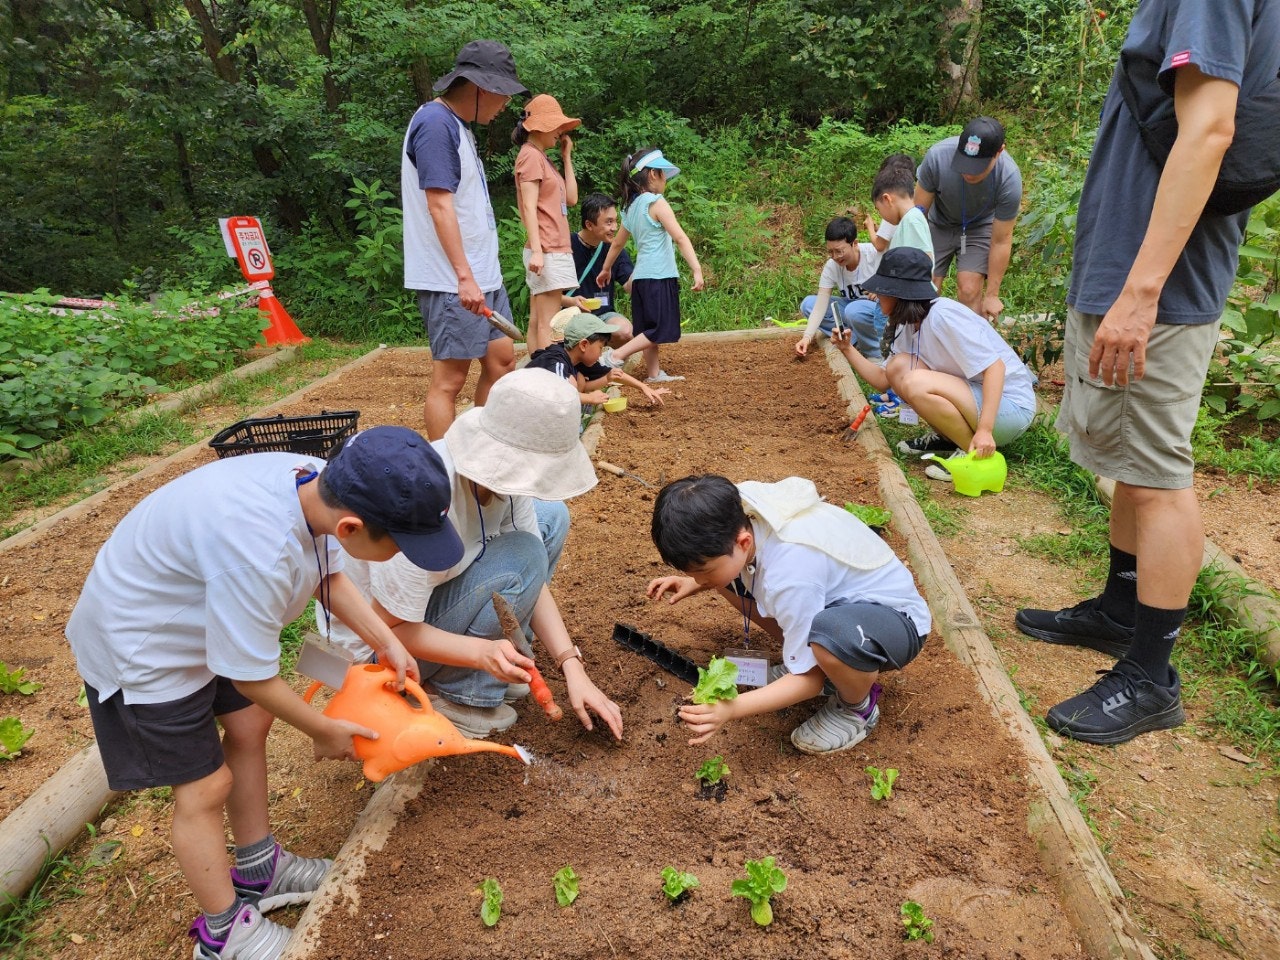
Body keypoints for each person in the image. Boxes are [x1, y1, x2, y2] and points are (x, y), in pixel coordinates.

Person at [66, 428, 465, 960]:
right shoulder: (257, 551)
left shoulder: (315, 482)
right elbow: (251, 675)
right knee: (205, 788)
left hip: (204, 616)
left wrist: (387, 640)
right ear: (352, 526)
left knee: (251, 725)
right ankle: (223, 933)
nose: (403, 555)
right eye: (399, 545)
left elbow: (331, 577)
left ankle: (260, 868)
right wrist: (323, 730)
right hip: (143, 645)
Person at [1016, 0, 1280, 746]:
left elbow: (1210, 128)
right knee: (1134, 461)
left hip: (1156, 282)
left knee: (1159, 475)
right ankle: (1120, 608)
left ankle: (1152, 676)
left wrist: (1141, 289)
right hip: (1139, 273)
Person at [332, 369, 625, 742]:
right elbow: (386, 630)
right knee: (524, 551)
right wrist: (480, 653)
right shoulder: (424, 502)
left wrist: (571, 665)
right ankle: (458, 695)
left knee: (551, 518)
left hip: (429, 608)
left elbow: (534, 578)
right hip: (383, 653)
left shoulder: (508, 483)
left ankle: (497, 666)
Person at [648, 474, 931, 755]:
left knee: (830, 637)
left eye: (703, 570)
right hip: (838, 600)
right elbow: (724, 567)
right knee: (726, 580)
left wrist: (731, 709)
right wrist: (699, 580)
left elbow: (811, 680)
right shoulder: (740, 506)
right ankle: (809, 658)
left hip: (896, 622)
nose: (698, 577)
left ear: (743, 542)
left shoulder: (790, 575)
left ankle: (857, 706)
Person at [401, 40, 527, 440]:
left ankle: (480, 448)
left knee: (502, 360)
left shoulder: (458, 126)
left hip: (480, 275)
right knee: (450, 380)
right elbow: (439, 206)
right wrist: (464, 277)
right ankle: (446, 473)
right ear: (480, 88)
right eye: (503, 94)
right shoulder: (435, 125)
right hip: (454, 280)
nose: (506, 104)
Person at [835, 247, 1036, 478]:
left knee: (915, 381)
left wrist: (985, 430)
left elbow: (995, 368)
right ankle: (949, 440)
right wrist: (847, 349)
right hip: (976, 399)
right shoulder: (908, 323)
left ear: (900, 293)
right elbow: (884, 380)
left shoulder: (943, 315)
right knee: (898, 366)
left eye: (882, 290)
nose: (875, 295)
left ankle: (975, 454)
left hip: (1010, 409)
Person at [596, 147, 704, 384]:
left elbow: (616, 245)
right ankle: (615, 356)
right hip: (659, 276)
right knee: (660, 329)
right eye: (663, 174)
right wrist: (696, 268)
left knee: (646, 328)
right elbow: (680, 238)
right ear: (653, 175)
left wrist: (605, 269)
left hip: (640, 280)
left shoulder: (631, 208)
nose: (666, 179)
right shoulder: (656, 203)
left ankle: (654, 374)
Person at [915, 117, 1022, 321]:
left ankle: (971, 348)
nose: (968, 172)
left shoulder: (1008, 177)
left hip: (979, 227)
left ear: (999, 152)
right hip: (937, 224)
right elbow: (917, 216)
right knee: (926, 287)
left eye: (977, 166)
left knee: (969, 289)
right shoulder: (938, 156)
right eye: (964, 162)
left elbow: (1001, 240)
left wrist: (992, 295)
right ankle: (922, 345)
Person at [513, 94, 580, 352]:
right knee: (548, 324)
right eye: (556, 126)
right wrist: (539, 252)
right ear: (540, 126)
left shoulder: (542, 157)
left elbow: (572, 199)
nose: (561, 132)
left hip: (552, 248)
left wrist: (566, 157)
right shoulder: (530, 156)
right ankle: (549, 378)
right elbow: (529, 207)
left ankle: (539, 375)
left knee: (538, 321)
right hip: (547, 248)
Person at [526, 307, 667, 406]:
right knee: (572, 382)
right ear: (583, 345)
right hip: (524, 408)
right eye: (600, 348)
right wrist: (589, 398)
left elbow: (615, 375)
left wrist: (644, 387)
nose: (601, 354)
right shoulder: (554, 360)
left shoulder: (577, 359)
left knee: (578, 380)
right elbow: (560, 393)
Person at [793, 215, 885, 360]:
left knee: (854, 310)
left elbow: (902, 280)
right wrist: (807, 337)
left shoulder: (875, 254)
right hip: (851, 311)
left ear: (854, 243)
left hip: (879, 311)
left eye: (839, 251)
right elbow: (820, 305)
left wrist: (884, 290)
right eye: (830, 252)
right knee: (808, 305)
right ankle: (853, 342)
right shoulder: (832, 266)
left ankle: (875, 353)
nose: (835, 257)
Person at [564, 191, 635, 346]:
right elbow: (546, 295)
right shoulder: (566, 246)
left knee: (625, 331)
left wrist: (646, 259)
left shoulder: (615, 249)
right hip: (571, 316)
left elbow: (630, 287)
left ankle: (608, 363)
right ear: (589, 224)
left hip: (603, 315)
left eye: (616, 221)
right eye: (608, 222)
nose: (615, 228)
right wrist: (570, 301)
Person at [873, 161, 935, 266]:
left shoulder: (912, 220)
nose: (881, 214)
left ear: (887, 199)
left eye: (878, 209)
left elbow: (925, 260)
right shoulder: (908, 220)